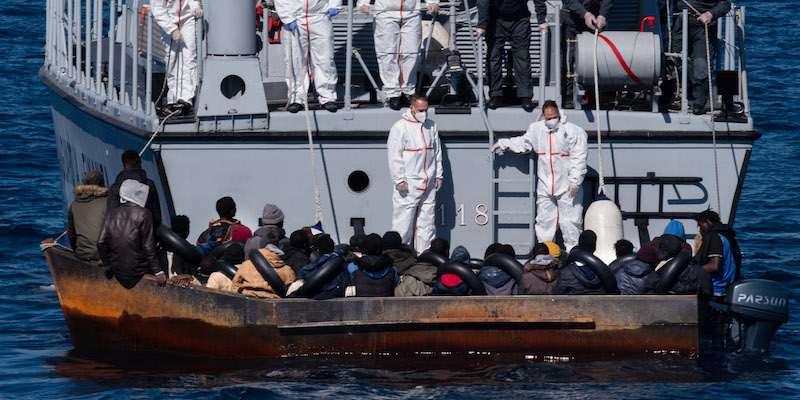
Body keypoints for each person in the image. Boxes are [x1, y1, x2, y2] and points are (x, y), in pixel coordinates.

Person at [491, 100, 588, 250]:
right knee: (544, 222)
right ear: (543, 116)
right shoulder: (537, 129)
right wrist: (503, 143)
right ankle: (545, 256)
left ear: (559, 113)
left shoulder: (573, 131)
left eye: (554, 117)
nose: (551, 120)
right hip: (545, 184)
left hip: (567, 185)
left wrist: (575, 182)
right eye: (548, 118)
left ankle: (573, 257)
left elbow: (579, 158)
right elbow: (524, 142)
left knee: (571, 223)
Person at [387, 93, 444, 254]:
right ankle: (399, 256)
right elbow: (394, 156)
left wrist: (438, 175)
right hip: (409, 183)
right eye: (420, 110)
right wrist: (399, 180)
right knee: (403, 223)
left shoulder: (431, 126)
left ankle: (424, 256)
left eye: (425, 110)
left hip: (429, 183)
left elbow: (437, 152)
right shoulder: (400, 127)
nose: (423, 113)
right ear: (411, 108)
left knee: (427, 223)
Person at [358, 0, 439, 110]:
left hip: (411, 13)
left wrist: (433, 2)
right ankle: (393, 93)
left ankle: (409, 91)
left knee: (412, 53)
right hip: (385, 13)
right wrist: (363, 3)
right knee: (387, 54)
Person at [476, 0, 547, 111]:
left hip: (520, 18)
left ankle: (525, 96)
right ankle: (495, 95)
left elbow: (538, 1)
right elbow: (483, 2)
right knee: (493, 57)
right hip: (495, 19)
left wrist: (541, 20)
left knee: (522, 58)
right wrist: (482, 24)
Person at [97, 179, 166, 289]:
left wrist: (107, 266)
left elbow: (101, 242)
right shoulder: (144, 214)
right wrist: (158, 271)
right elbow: (148, 246)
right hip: (138, 271)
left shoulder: (111, 214)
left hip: (117, 270)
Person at [275, 0, 341, 113]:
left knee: (325, 59)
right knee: (295, 60)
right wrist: (287, 17)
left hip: (320, 17)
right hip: (295, 18)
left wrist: (334, 5)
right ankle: (296, 98)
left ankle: (327, 96)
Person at [668, 0, 731, 115]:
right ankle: (679, 92)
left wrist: (710, 14)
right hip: (680, 22)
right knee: (674, 58)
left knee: (700, 62)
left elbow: (725, 4)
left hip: (702, 26)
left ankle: (699, 101)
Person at [150, 0, 203, 115]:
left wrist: (195, 7)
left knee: (189, 58)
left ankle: (186, 100)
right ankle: (173, 99)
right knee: (172, 60)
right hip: (168, 19)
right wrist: (172, 30)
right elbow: (158, 10)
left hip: (187, 18)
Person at [561, 0, 613, 107]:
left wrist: (603, 15)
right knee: (569, 58)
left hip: (594, 20)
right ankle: (568, 95)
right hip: (571, 19)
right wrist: (585, 14)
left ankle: (594, 96)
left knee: (595, 57)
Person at [107, 150, 162, 230]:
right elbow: (156, 215)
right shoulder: (149, 185)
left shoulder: (115, 188)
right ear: (135, 163)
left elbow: (111, 214)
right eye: (140, 162)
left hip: (122, 235)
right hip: (145, 232)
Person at [694, 209, 739, 294]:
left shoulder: (715, 237)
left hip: (716, 289)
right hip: (727, 287)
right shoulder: (726, 236)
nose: (700, 230)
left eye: (700, 226)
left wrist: (692, 271)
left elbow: (714, 266)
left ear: (708, 222)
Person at [67, 171, 108, 263]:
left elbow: (71, 233)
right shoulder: (108, 202)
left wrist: (76, 250)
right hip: (103, 255)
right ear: (102, 184)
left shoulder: (74, 204)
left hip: (82, 254)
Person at [231, 243, 296, 298]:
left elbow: (236, 284)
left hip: (247, 298)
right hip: (273, 304)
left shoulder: (247, 264)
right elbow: (291, 291)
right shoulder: (287, 270)